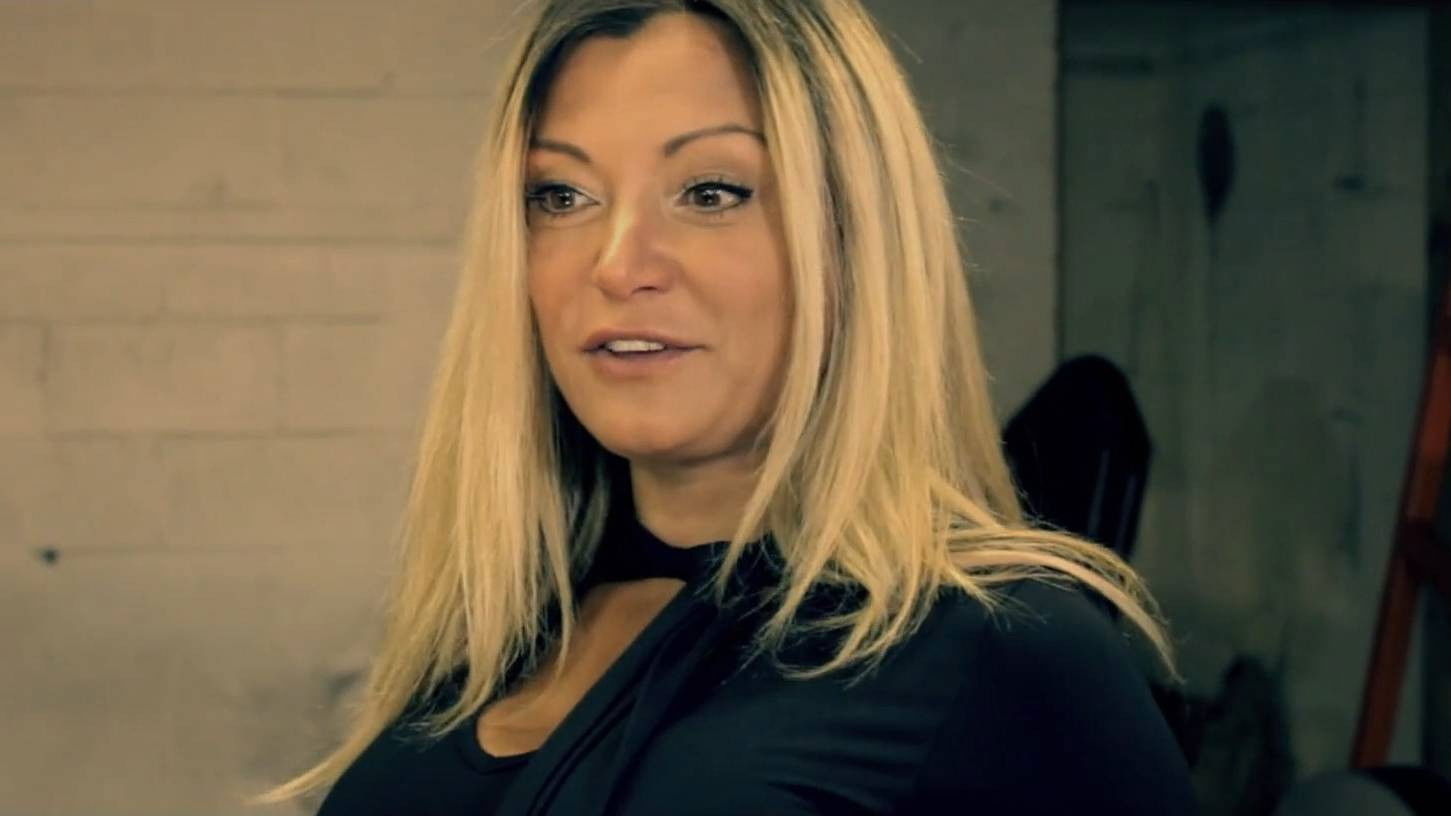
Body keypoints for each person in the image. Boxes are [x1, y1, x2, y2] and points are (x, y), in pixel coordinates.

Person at [255, 1, 1197, 813]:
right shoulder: (496, 638)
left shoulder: (1003, 647)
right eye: (562, 195)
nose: (617, 264)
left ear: (852, 242)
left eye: (710, 192)